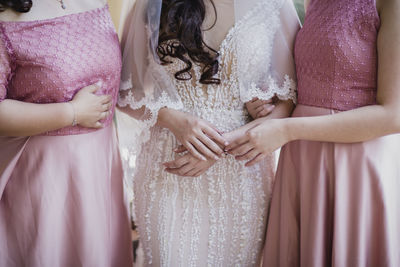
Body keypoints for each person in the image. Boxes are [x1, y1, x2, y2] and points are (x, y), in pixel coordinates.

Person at [118, 0, 299, 265]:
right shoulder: (153, 3)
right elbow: (124, 91)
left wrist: (225, 142)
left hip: (240, 172)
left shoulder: (274, 4)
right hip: (169, 168)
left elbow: (290, 98)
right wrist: (173, 119)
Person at [226, 0, 400, 265]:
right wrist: (269, 101)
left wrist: (286, 130)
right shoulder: (316, 2)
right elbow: (313, 77)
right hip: (302, 161)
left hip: (354, 166)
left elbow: (393, 115)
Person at [0, 0, 132, 266]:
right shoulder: (6, 16)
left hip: (100, 166)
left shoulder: (97, 3)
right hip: (42, 175)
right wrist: (72, 113)